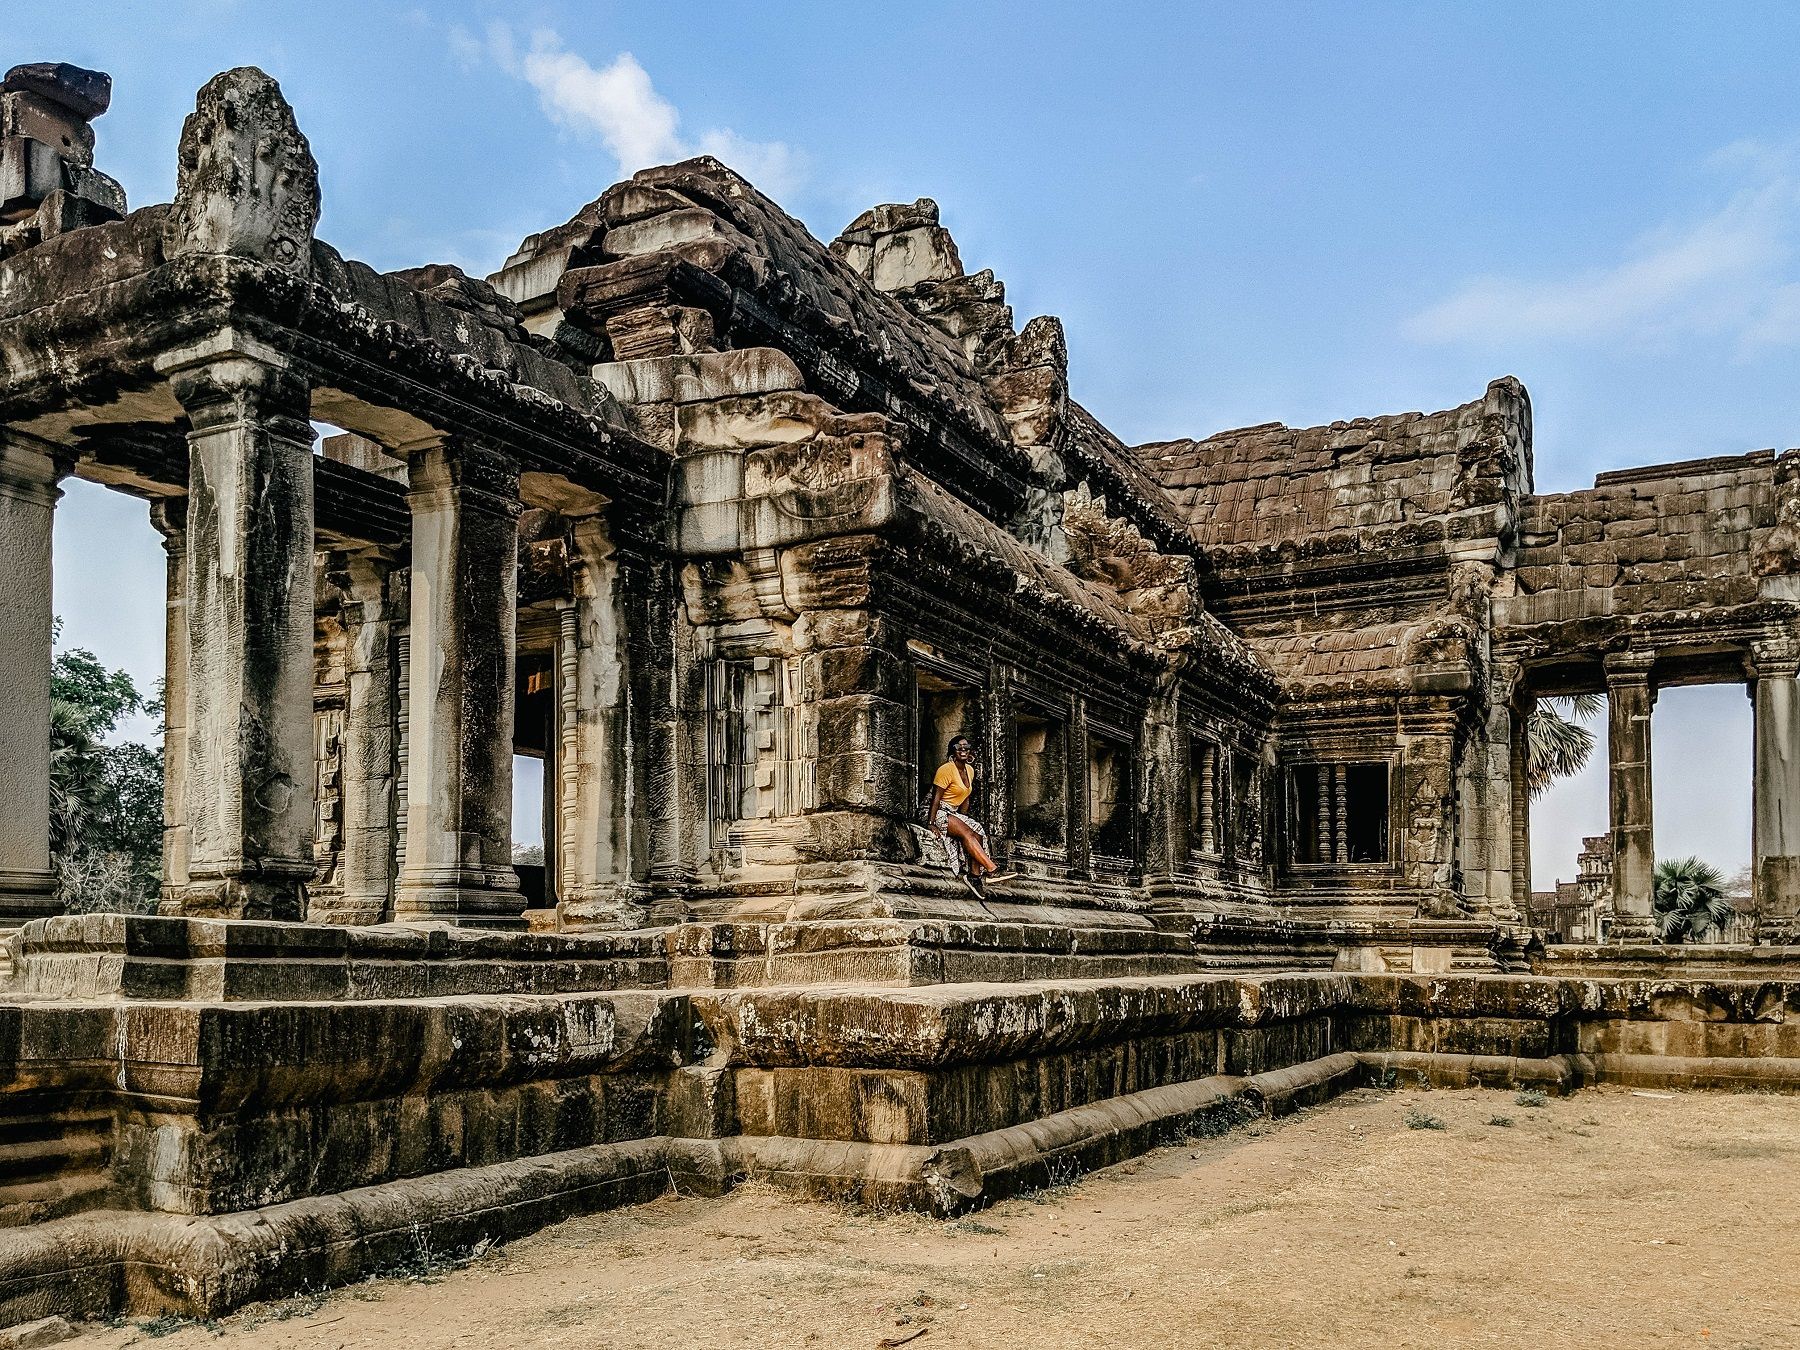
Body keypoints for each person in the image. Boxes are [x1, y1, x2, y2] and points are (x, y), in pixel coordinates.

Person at [927, 735, 1012, 897]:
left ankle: (974, 876)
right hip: (937, 811)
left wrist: (963, 819)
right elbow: (935, 799)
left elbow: (965, 798)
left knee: (977, 832)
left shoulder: (970, 770)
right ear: (953, 751)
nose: (963, 751)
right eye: (959, 748)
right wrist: (931, 823)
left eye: (966, 748)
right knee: (966, 832)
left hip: (953, 811)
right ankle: (992, 869)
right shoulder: (946, 769)